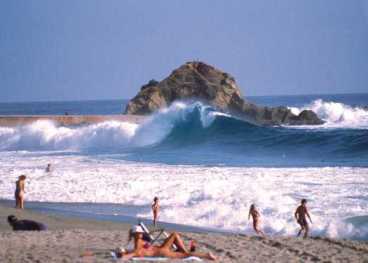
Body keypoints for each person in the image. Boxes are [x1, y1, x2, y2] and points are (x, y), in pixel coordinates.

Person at [117, 225, 216, 260]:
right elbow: (132, 253)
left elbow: (132, 253)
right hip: (162, 251)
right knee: (184, 254)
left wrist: (123, 254)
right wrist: (123, 256)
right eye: (141, 233)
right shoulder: (138, 245)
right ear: (138, 234)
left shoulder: (137, 244)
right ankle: (206, 255)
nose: (142, 234)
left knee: (175, 237)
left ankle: (185, 251)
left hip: (161, 249)